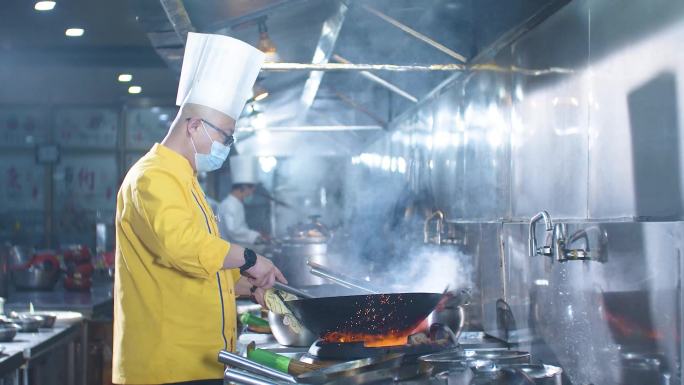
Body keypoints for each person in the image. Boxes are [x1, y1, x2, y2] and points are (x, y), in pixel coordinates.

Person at [112, 32, 286, 385]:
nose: (226, 146)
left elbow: (198, 268)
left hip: (197, 363)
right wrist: (251, 258)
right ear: (194, 126)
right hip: (167, 365)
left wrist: (248, 287)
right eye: (225, 136)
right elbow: (183, 247)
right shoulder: (152, 178)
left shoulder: (186, 181)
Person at [217, 156, 267, 245]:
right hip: (229, 251)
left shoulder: (236, 204)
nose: (251, 194)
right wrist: (256, 236)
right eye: (251, 191)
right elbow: (234, 231)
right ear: (244, 187)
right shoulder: (229, 205)